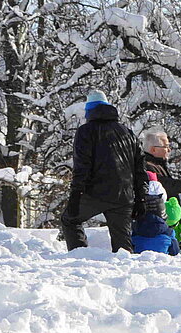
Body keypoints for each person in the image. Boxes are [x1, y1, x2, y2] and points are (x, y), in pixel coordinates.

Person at [62, 90, 147, 253]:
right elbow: (140, 169)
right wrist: (141, 197)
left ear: (89, 111)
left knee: (70, 220)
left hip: (96, 194)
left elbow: (82, 166)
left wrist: (75, 195)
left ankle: (80, 256)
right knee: (123, 248)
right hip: (124, 196)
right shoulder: (127, 133)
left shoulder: (85, 131)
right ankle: (126, 267)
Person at [142, 130, 181, 202]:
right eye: (166, 146)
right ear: (154, 149)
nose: (169, 150)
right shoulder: (147, 166)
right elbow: (166, 185)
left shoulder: (158, 164)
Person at [131, 178, 179, 256]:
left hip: (139, 256)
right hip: (162, 258)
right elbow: (175, 251)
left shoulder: (136, 229)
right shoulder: (168, 231)